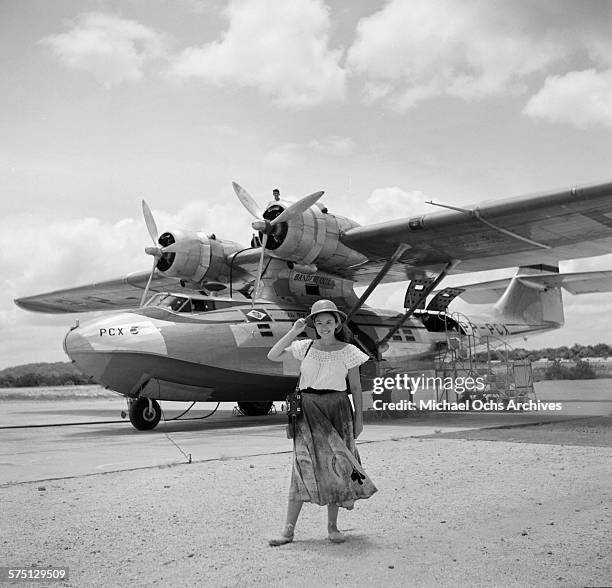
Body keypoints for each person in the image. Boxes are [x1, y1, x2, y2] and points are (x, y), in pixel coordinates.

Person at [267, 299, 377, 546]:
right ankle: (288, 530)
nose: (324, 326)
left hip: (338, 408)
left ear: (337, 323)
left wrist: (359, 419)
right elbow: (272, 355)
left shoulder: (349, 351)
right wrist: (294, 331)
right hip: (307, 409)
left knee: (336, 467)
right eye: (319, 322)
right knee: (301, 467)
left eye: (329, 321)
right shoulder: (305, 346)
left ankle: (332, 527)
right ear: (314, 324)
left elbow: (356, 387)